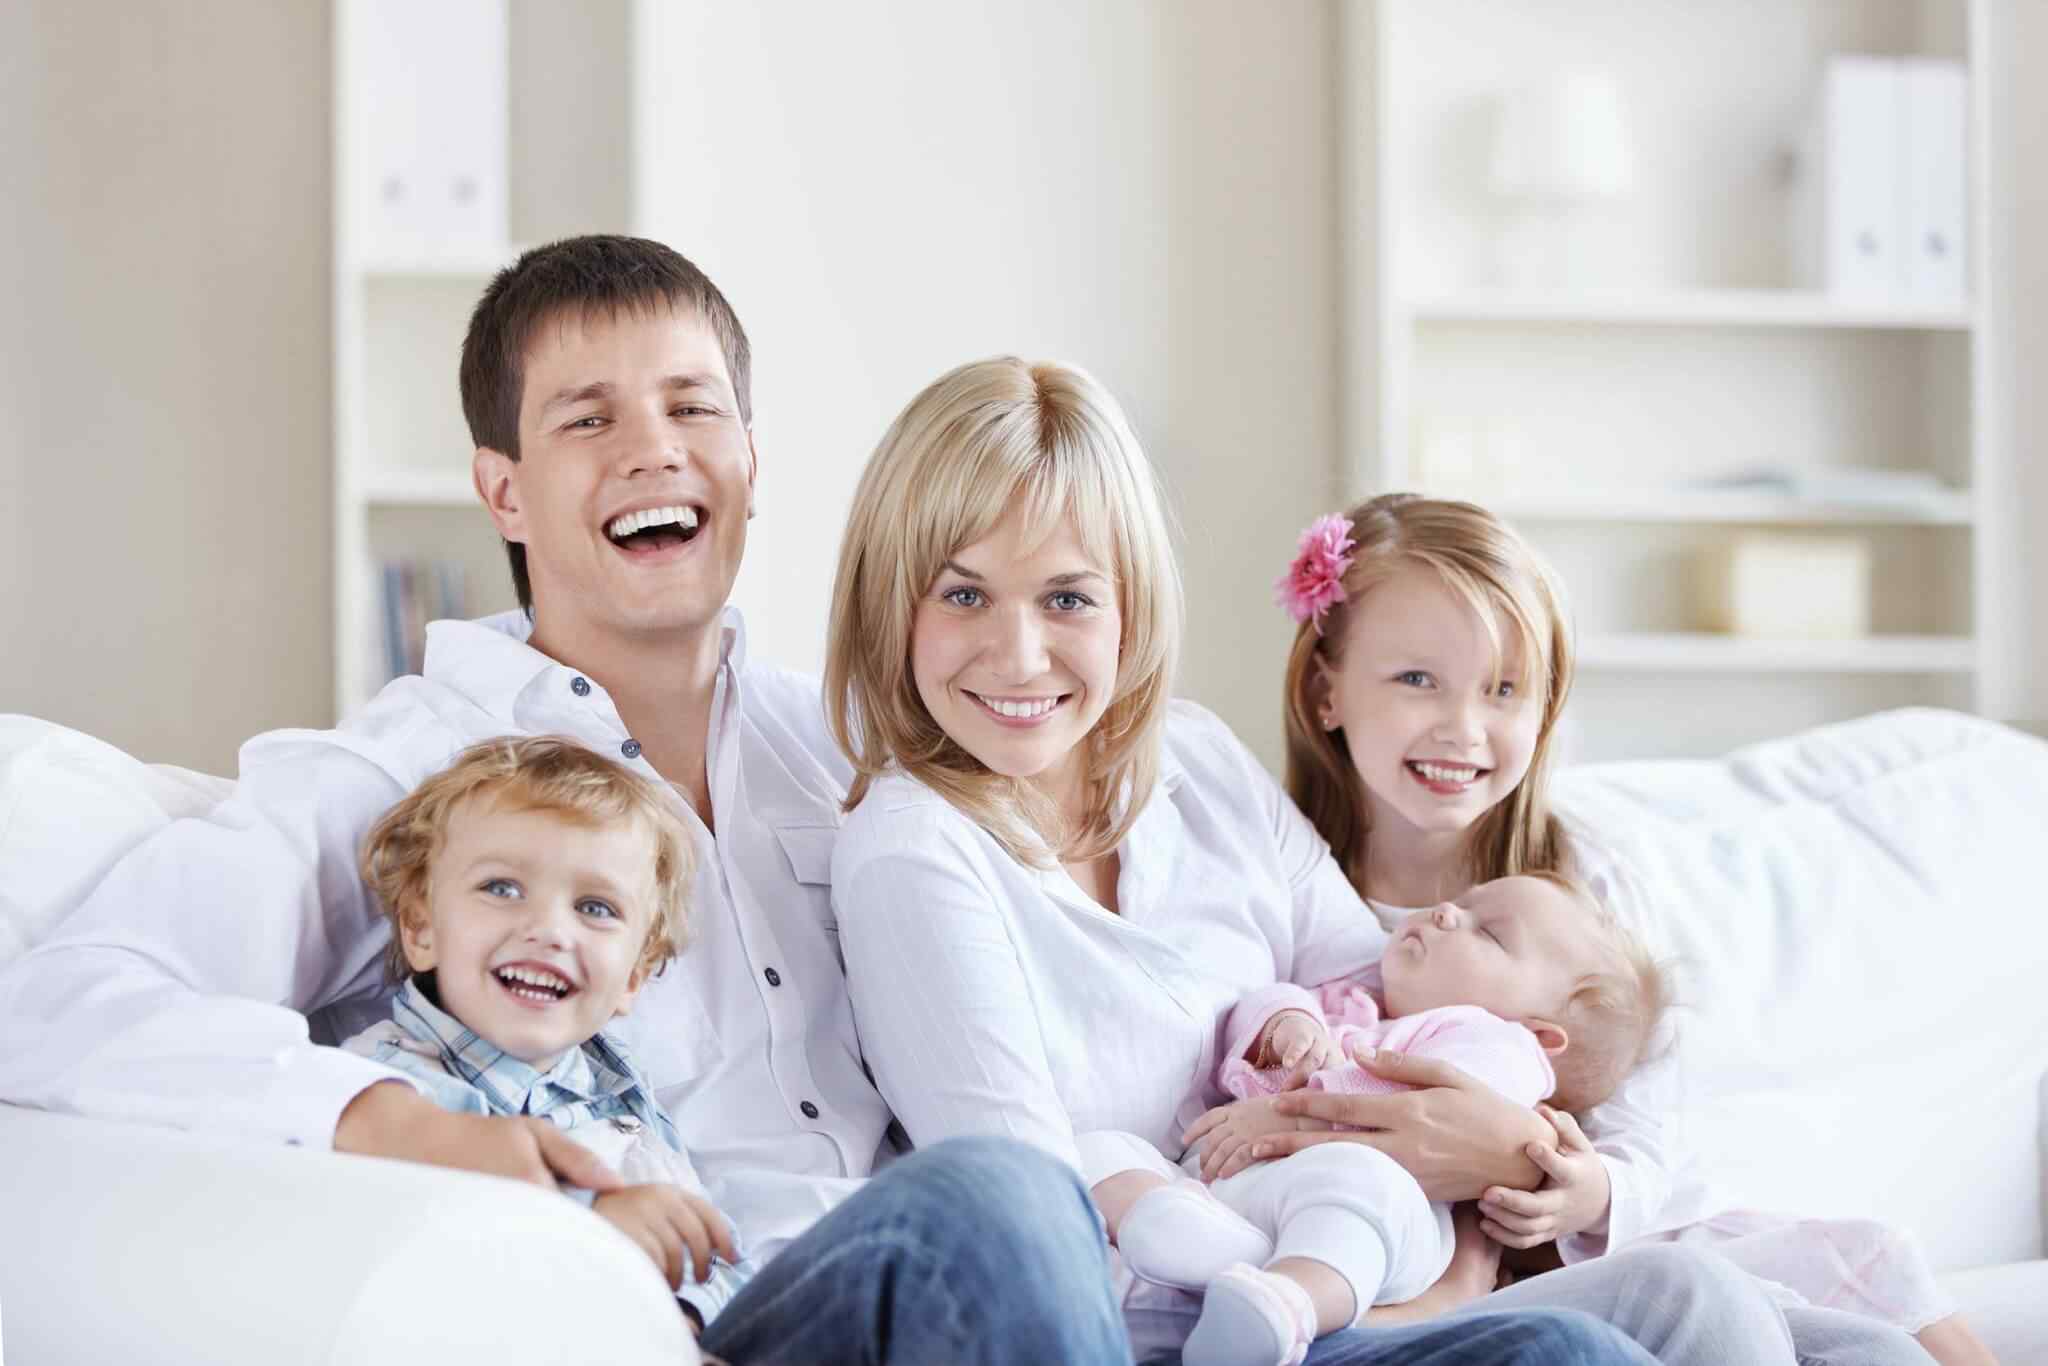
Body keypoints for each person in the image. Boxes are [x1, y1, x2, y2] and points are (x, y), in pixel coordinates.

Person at [0, 236, 1127, 1366]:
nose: (653, 449)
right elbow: (61, 1002)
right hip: (681, 1319)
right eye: (588, 420)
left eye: (692, 408)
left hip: (933, 1301)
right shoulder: (407, 767)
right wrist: (409, 1128)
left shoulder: (850, 749)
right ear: (504, 492)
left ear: (749, 460)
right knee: (1007, 1198)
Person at [822, 354, 1801, 1365]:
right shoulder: (914, 851)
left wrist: (1471, 1205)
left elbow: (1373, 992)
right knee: (1569, 1355)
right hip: (1186, 1322)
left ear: (1130, 606)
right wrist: (1372, 1281)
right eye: (964, 594)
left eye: (1068, 599)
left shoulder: (1193, 757)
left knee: (1704, 1300)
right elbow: (1025, 1222)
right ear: (891, 604)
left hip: (1359, 1267)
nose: (1021, 655)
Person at [1246, 491, 1997, 1366]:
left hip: (1613, 1231)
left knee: (1874, 1308)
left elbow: (1646, 1129)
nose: (1463, 728)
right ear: (1325, 689)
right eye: (1417, 680)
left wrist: (1573, 1180)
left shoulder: (1580, 877)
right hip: (1434, 1264)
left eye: (1503, 690)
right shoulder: (1284, 883)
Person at [1101, 872, 1668, 1366]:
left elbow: (1416, 1107)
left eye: (1488, 933)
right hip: (1234, 1186)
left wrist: (1292, 1109)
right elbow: (1264, 1003)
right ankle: (1173, 1236)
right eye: (1462, 902)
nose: (1446, 912)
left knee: (1360, 1188)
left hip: (1365, 1207)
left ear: (1540, 1034)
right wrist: (1285, 1023)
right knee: (1106, 1148)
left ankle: (1290, 1303)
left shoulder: (1502, 1048)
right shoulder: (1357, 1002)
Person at [342, 735, 750, 1336]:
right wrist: (599, 1236)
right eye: (502, 889)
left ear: (632, 978)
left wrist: (688, 1313)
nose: (550, 930)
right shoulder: (385, 1086)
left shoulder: (618, 1087)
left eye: (595, 908)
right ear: (422, 929)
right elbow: (417, 1272)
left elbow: (712, 1256)